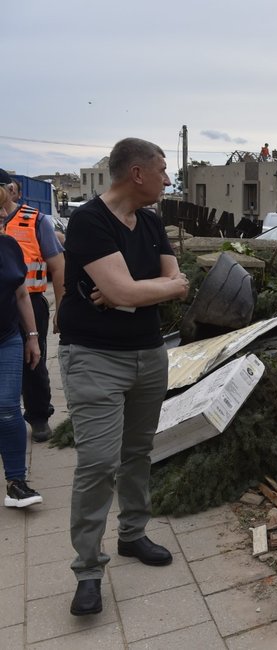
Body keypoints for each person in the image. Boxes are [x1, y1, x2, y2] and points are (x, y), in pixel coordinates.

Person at [57, 138, 190, 616]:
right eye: (162, 170)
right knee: (97, 462)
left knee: (138, 452)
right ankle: (88, 570)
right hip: (94, 357)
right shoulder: (89, 221)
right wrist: (132, 290)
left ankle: (133, 534)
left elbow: (177, 283)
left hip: (148, 354)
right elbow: (130, 286)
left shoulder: (153, 223)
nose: (168, 179)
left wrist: (131, 294)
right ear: (137, 174)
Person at [1, 168, 66, 443]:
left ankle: (38, 416)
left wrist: (61, 308)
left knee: (33, 360)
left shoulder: (35, 220)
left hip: (31, 301)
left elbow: (58, 265)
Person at [1, 184, 43, 508]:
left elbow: (20, 293)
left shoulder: (9, 247)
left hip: (7, 339)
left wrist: (32, 337)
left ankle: (17, 482)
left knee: (8, 409)